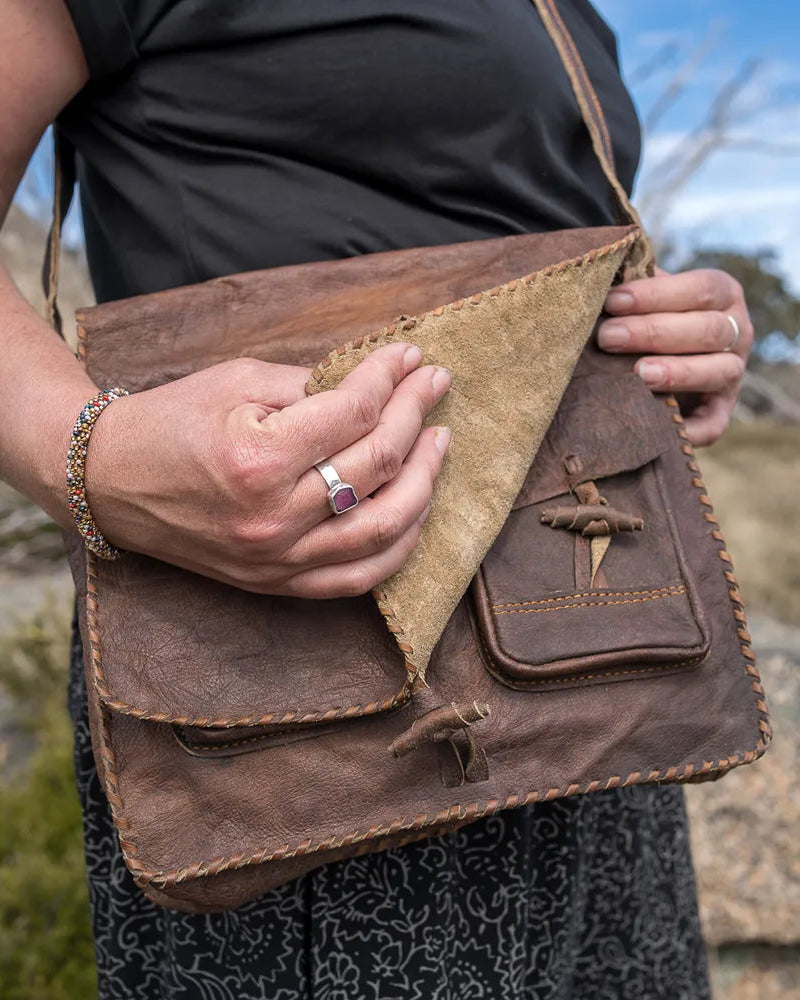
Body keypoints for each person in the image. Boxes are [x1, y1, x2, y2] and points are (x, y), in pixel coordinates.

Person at [0, 1, 753, 997]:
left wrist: (674, 343)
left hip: (599, 686)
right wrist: (84, 455)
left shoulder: (576, 18)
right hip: (302, 707)